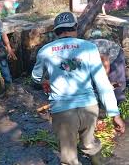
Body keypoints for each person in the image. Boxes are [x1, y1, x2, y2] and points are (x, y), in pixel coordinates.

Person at [31, 12, 125, 165]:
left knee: (69, 158)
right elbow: (102, 83)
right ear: (75, 27)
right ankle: (98, 161)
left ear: (56, 31)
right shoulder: (89, 48)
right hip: (90, 109)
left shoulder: (45, 51)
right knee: (89, 144)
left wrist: (45, 80)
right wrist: (115, 114)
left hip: (63, 111)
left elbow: (35, 78)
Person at [89, 30, 127, 105]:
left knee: (115, 80)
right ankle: (103, 103)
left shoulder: (96, 45)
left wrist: (104, 79)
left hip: (115, 55)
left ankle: (119, 102)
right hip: (105, 56)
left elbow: (105, 62)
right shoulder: (83, 49)